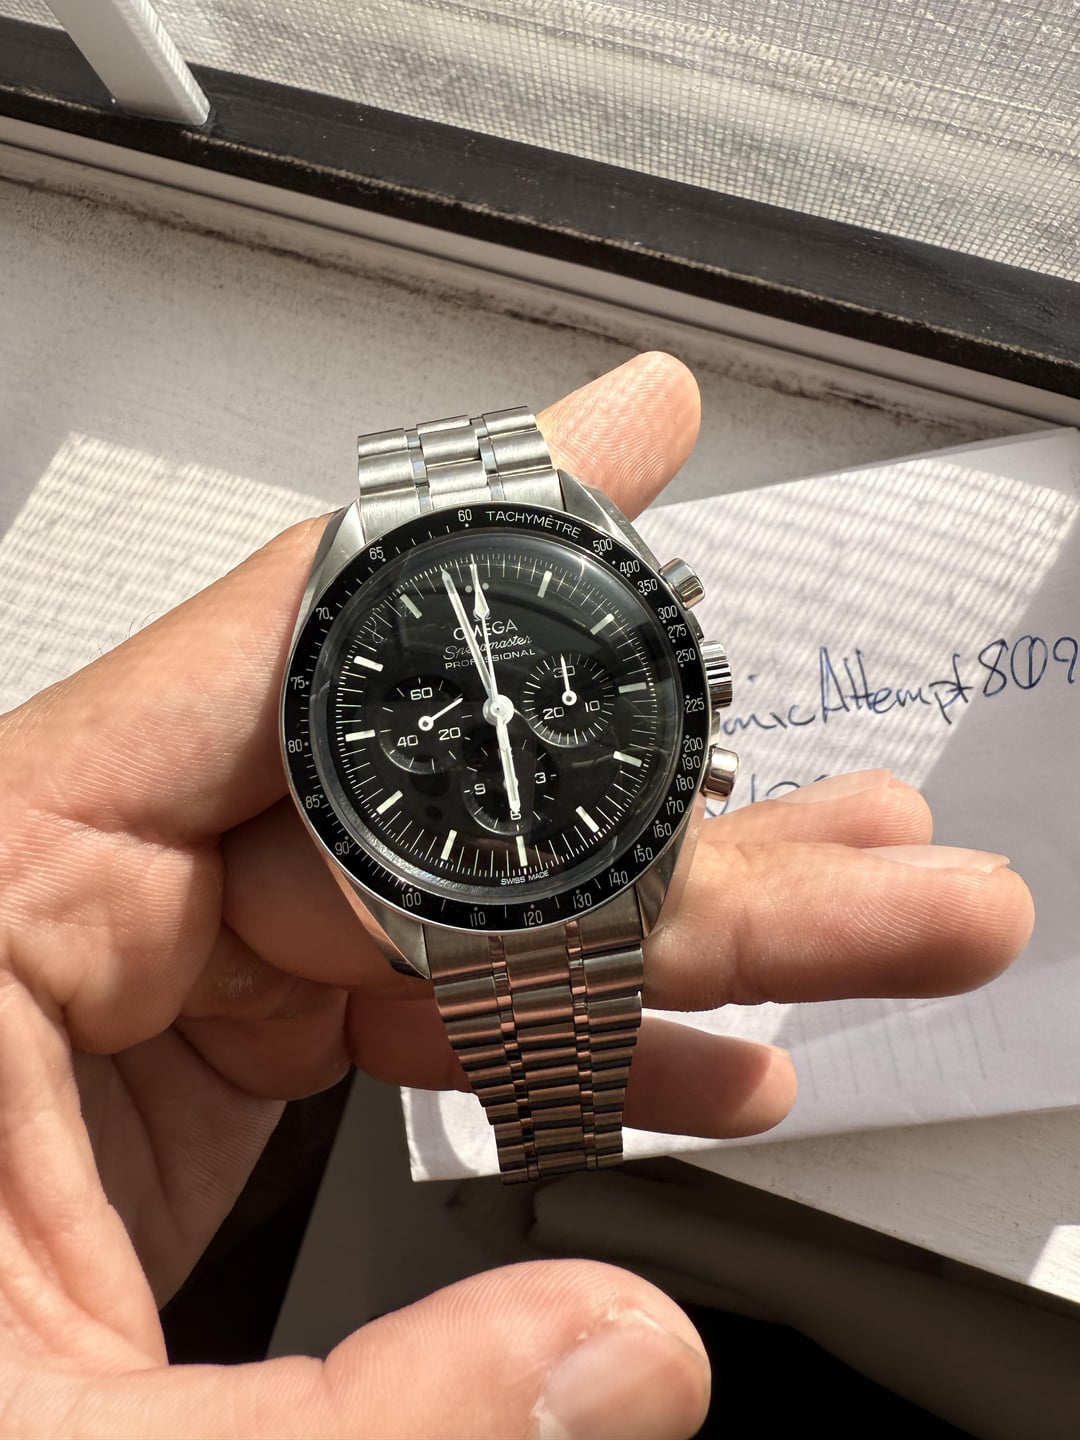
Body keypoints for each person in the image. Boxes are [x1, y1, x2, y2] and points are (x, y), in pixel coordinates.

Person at [0, 353, 1033, 1439]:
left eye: (531, 700)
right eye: (466, 709)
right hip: (439, 885)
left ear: (697, 693)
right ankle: (557, 1184)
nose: (500, 715)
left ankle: (557, 1185)